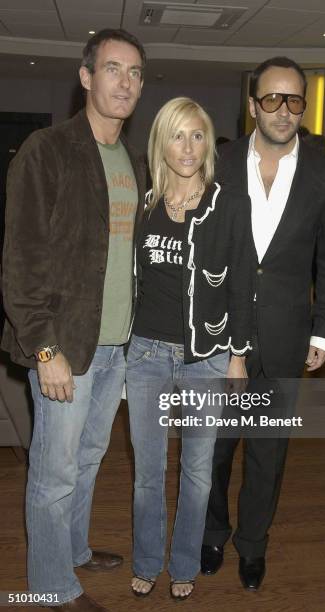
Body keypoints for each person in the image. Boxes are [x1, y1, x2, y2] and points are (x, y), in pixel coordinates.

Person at [1, 29, 146, 611]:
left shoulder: (132, 161)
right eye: (113, 69)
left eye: (135, 73)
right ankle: (50, 586)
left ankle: (75, 550)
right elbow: (21, 260)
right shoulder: (48, 148)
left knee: (89, 458)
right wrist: (44, 348)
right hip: (66, 346)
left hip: (117, 345)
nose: (125, 82)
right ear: (86, 77)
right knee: (54, 472)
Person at [201, 56, 325, 591]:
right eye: (272, 99)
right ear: (251, 106)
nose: (283, 110)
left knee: (268, 448)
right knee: (214, 444)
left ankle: (253, 545)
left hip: (287, 335)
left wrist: (324, 328)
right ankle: (211, 532)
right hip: (220, 334)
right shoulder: (218, 162)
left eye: (293, 100)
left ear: (302, 106)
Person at [126, 97, 253, 601]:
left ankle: (183, 563)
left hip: (206, 357)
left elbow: (243, 284)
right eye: (178, 135)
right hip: (145, 353)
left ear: (208, 143)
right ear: (162, 140)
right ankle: (145, 561)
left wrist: (238, 357)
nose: (188, 147)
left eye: (198, 135)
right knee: (147, 474)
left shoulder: (228, 205)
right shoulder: (145, 199)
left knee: (198, 472)